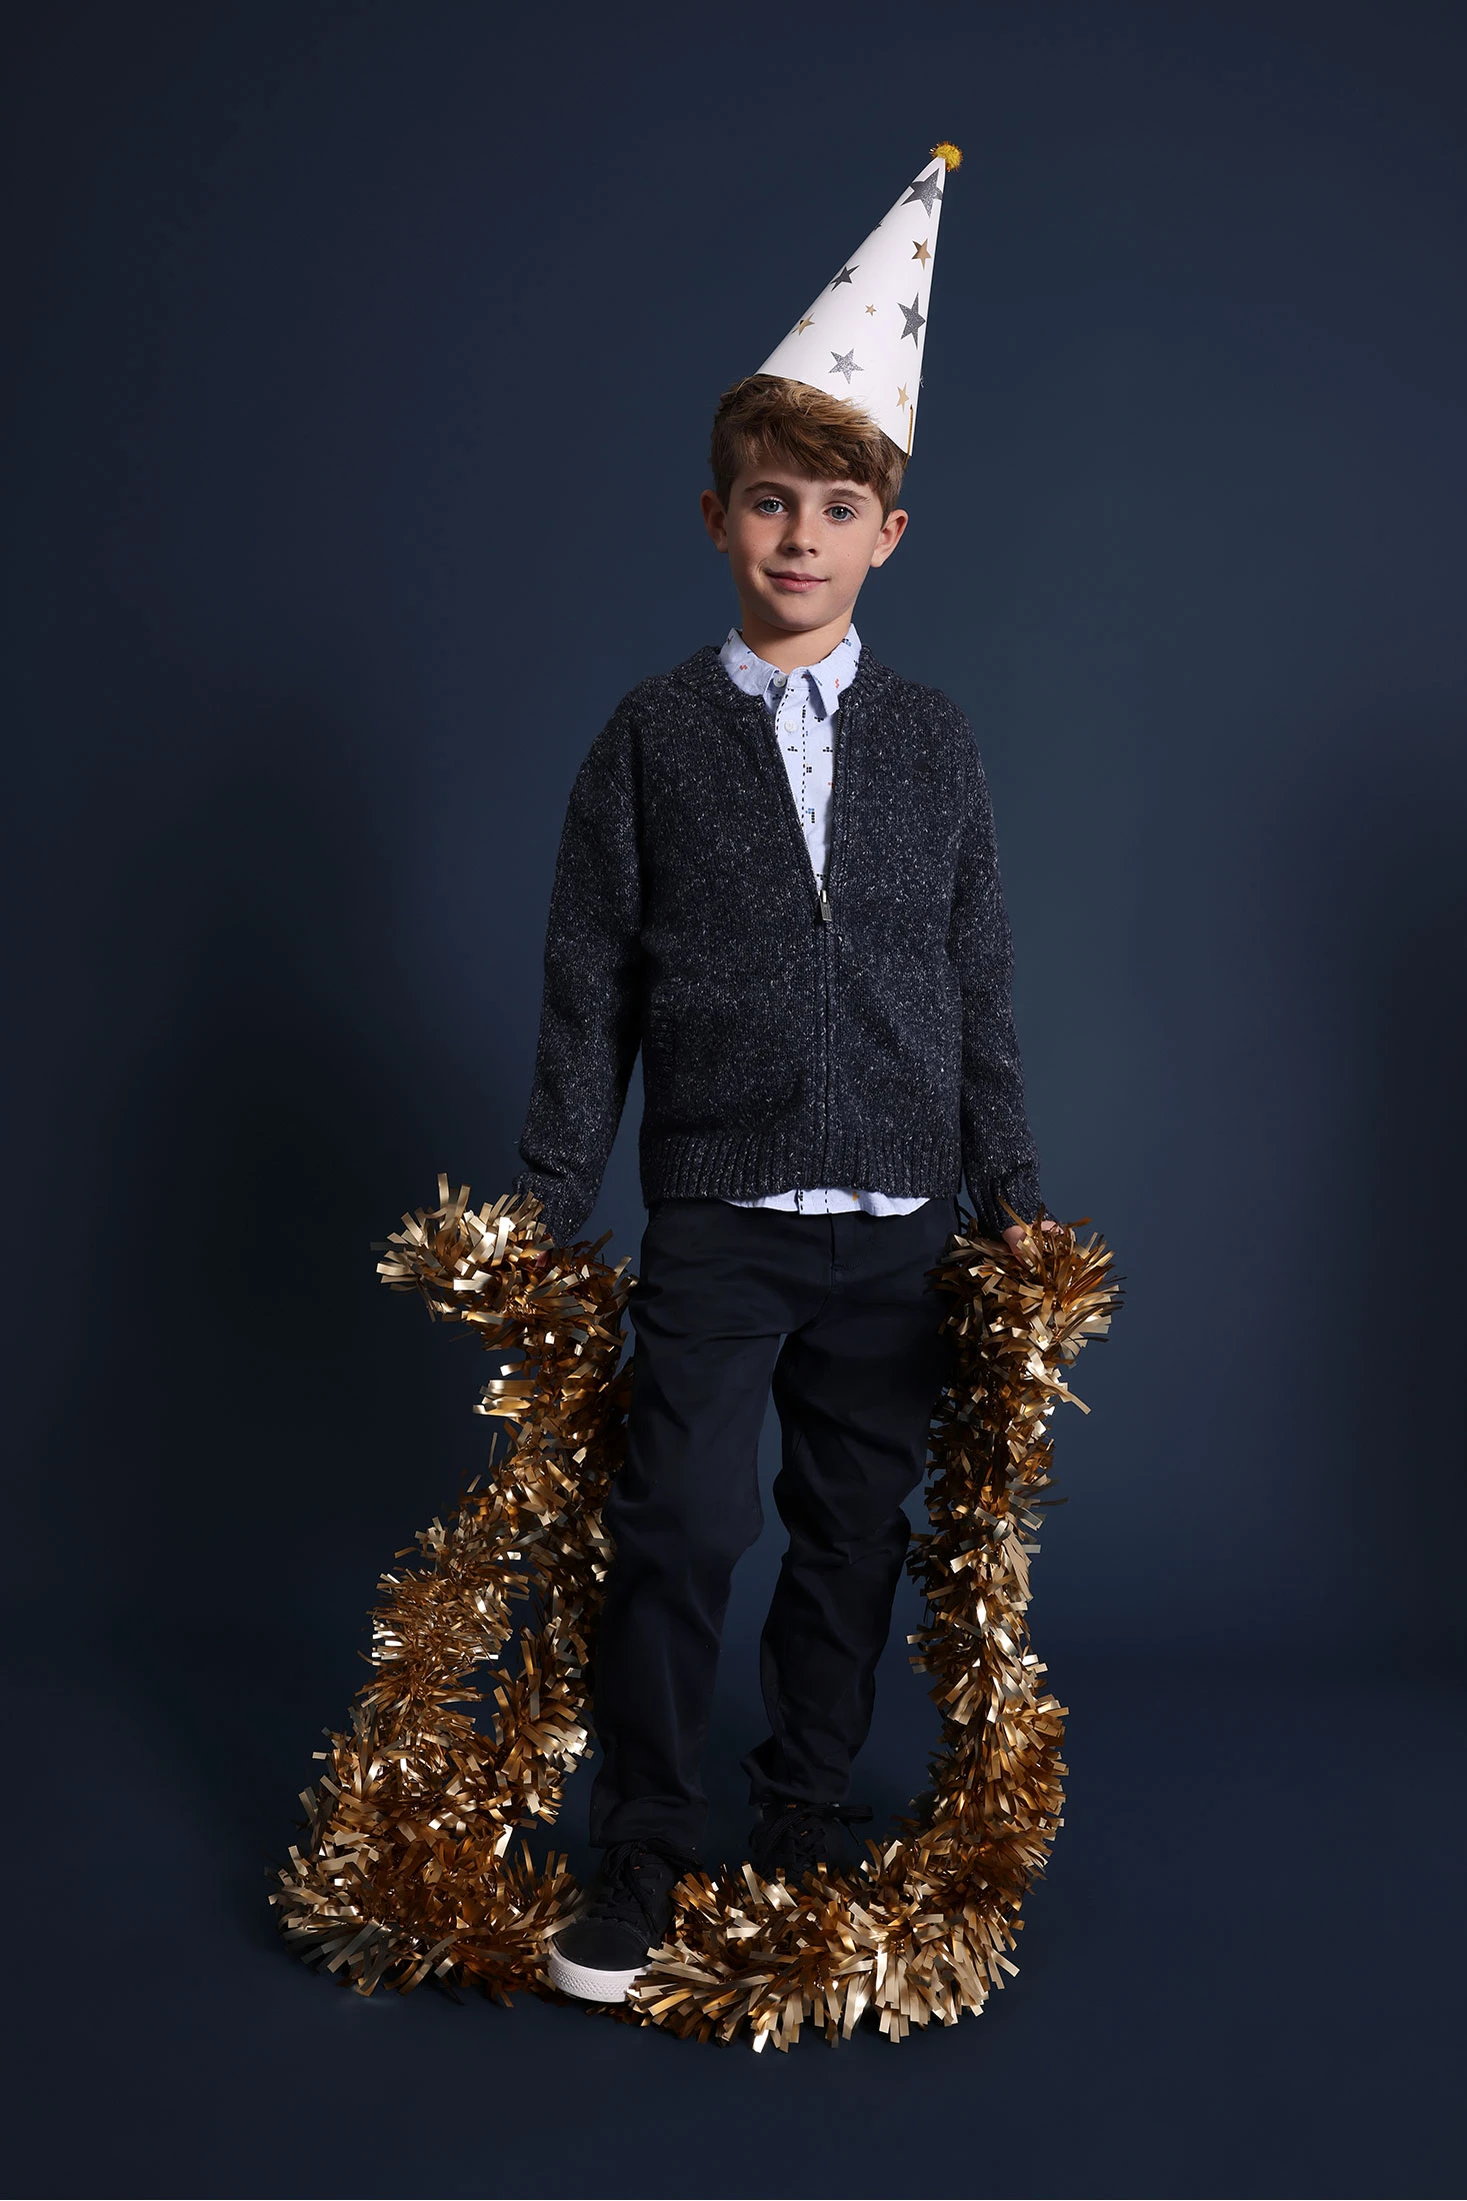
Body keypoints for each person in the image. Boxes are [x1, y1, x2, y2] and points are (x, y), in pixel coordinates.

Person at [508, 149, 1048, 2005]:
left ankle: (805, 1821)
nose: (799, 538)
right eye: (768, 503)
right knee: (678, 1525)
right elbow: (587, 984)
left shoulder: (934, 742)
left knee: (850, 1534)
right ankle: (646, 1848)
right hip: (721, 1215)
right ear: (717, 518)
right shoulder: (652, 739)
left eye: (835, 507)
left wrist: (1012, 1194)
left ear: (887, 531)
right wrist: (546, 1198)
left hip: (896, 1215)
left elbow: (977, 979)